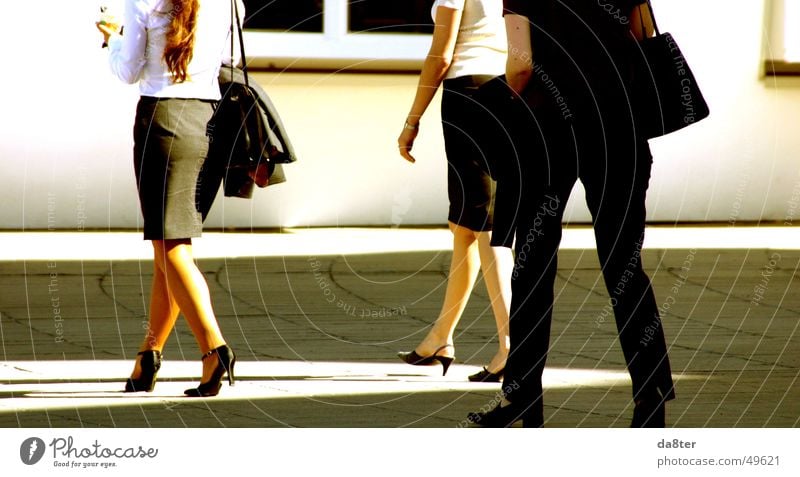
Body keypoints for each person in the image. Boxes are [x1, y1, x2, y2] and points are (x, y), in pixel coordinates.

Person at [468, 0, 675, 426]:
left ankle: (523, 400)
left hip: (548, 134)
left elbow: (521, 66)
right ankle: (649, 392)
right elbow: (640, 41)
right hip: (619, 132)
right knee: (624, 265)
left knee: (532, 267)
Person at [96, 0, 243, 397]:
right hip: (209, 121)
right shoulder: (231, 2)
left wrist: (112, 40)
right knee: (168, 247)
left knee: (173, 248)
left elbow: (128, 71)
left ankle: (214, 348)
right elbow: (223, 59)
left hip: (163, 119)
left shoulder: (142, 1)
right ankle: (149, 356)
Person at [396, 0, 513, 382]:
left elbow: (440, 55)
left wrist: (412, 120)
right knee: (464, 225)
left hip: (470, 94)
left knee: (487, 228)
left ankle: (511, 346)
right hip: (506, 92)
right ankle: (440, 339)